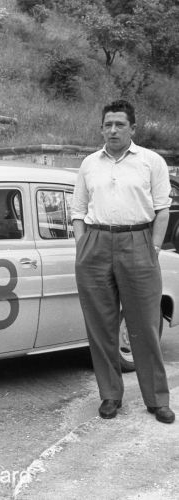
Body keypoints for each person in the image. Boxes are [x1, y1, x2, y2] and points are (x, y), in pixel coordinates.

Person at [72, 99, 175, 424]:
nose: (113, 130)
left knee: (144, 325)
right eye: (108, 125)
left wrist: (153, 247)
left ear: (133, 128)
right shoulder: (89, 164)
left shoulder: (151, 161)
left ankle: (157, 399)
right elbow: (78, 211)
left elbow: (162, 209)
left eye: (120, 124)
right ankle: (110, 395)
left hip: (138, 241)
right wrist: (82, 245)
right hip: (96, 243)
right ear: (101, 128)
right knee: (100, 326)